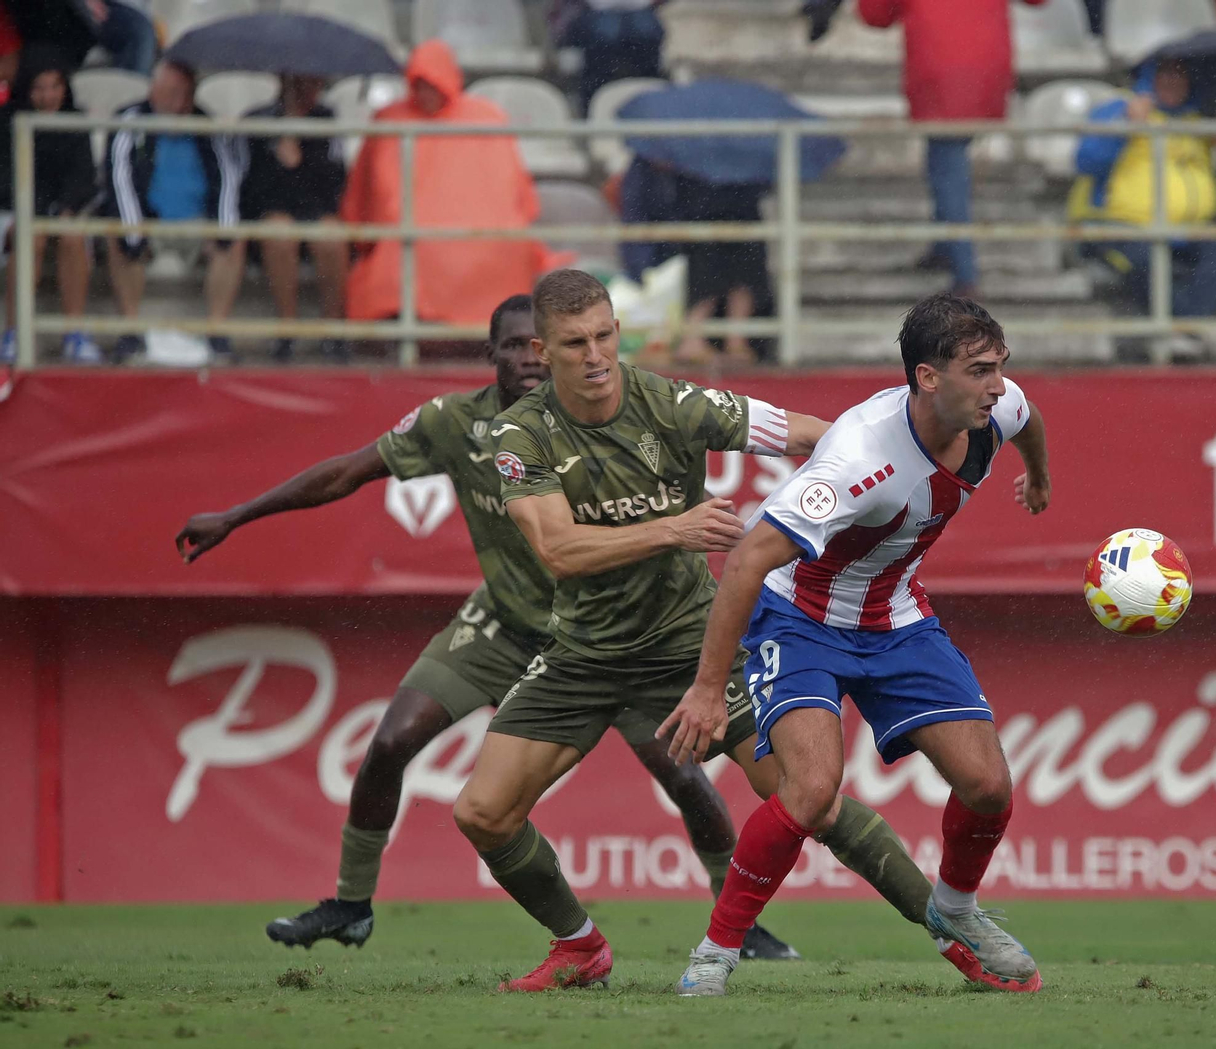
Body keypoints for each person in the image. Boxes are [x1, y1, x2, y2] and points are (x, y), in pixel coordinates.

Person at [173, 294, 798, 962]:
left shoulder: (599, 417)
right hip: (505, 621)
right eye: (513, 345)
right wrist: (237, 515)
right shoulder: (453, 423)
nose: (529, 356)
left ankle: (741, 921)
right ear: (490, 353)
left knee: (682, 777)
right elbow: (349, 472)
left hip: (607, 635)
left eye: (540, 344)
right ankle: (351, 904)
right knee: (391, 741)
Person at [462, 269, 941, 993]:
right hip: (583, 654)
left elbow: (813, 435)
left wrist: (888, 473)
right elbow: (557, 548)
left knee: (811, 799)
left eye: (603, 336)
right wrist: (676, 528)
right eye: (573, 343)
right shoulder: (518, 432)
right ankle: (579, 945)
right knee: (483, 812)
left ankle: (955, 930)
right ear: (543, 348)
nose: (594, 355)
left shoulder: (673, 402)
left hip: (692, 645)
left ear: (617, 331)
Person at [666, 293, 1052, 998]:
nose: (998, 385)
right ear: (928, 378)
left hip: (896, 616)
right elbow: (750, 557)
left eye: (1001, 367)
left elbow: (1029, 422)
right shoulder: (856, 459)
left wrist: (1040, 476)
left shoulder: (997, 407)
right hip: (800, 619)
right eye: (980, 370)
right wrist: (704, 687)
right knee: (809, 791)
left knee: (989, 785)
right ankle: (716, 952)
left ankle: (956, 910)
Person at [341, 40, 560, 332]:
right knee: (400, 248)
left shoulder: (486, 118)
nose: (425, 93)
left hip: (481, 228)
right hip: (409, 228)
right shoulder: (390, 119)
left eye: (432, 84)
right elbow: (374, 191)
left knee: (505, 246)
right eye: (418, 84)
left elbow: (510, 189)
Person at [858, 0, 1046, 298]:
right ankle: (944, 246)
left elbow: (875, 15)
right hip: (987, 65)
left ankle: (965, 273)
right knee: (943, 162)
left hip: (938, 68)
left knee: (947, 170)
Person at [1071, 57, 1216, 362]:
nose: (1173, 82)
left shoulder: (1195, 122)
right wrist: (1127, 125)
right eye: (1166, 74)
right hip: (1123, 226)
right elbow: (1085, 161)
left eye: (1181, 75)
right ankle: (1197, 326)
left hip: (1189, 231)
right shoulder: (1121, 109)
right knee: (1147, 257)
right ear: (1149, 77)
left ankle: (1182, 326)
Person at [100, 60, 247, 363]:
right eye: (174, 93)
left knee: (236, 240)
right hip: (149, 222)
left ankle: (217, 332)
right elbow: (119, 178)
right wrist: (134, 233)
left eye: (187, 94)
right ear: (155, 91)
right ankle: (130, 331)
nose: (181, 102)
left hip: (197, 224)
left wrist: (222, 231)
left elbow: (227, 178)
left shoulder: (207, 124)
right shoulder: (130, 120)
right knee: (116, 235)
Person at [0, 45, 99, 363]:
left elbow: (84, 176)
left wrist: (66, 207)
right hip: (14, 209)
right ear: (27, 90)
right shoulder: (6, 121)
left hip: (61, 211)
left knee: (72, 237)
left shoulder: (75, 121)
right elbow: (5, 177)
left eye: (55, 86)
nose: (48, 96)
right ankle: (14, 333)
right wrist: (33, 210)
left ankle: (74, 333)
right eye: (40, 88)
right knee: (32, 238)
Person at [619, 155, 769, 364]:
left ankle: (721, 341)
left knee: (733, 253)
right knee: (718, 255)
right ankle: (709, 340)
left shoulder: (690, 158)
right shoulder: (653, 166)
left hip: (703, 217)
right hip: (679, 235)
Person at [240, 74, 348, 363]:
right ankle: (287, 328)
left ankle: (333, 329)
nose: (311, 90)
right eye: (302, 84)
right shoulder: (257, 122)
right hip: (273, 212)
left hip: (315, 211)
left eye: (315, 83)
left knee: (332, 236)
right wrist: (279, 157)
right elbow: (250, 188)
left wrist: (302, 161)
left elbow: (334, 184)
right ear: (287, 86)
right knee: (279, 233)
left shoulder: (327, 121)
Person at [551, 0, 668, 117]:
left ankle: (652, 102)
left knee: (645, 28)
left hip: (640, 14)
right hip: (593, 14)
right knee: (606, 31)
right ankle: (592, 108)